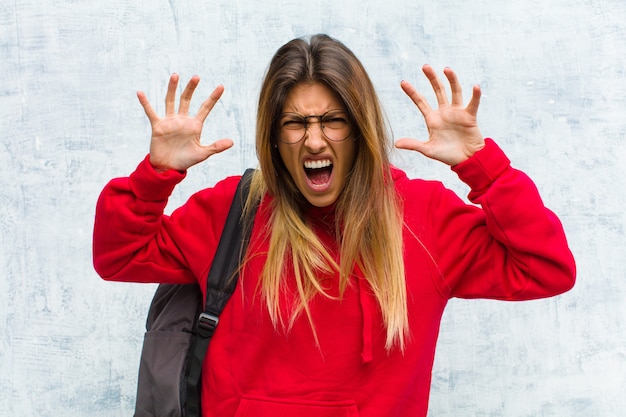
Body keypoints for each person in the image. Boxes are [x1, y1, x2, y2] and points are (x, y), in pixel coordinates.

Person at [93, 34, 576, 417]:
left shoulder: (425, 218)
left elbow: (547, 268)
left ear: (361, 129)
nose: (314, 139)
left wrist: (481, 166)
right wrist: (156, 176)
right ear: (274, 136)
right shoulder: (233, 212)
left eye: (333, 120)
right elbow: (118, 256)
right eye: (295, 123)